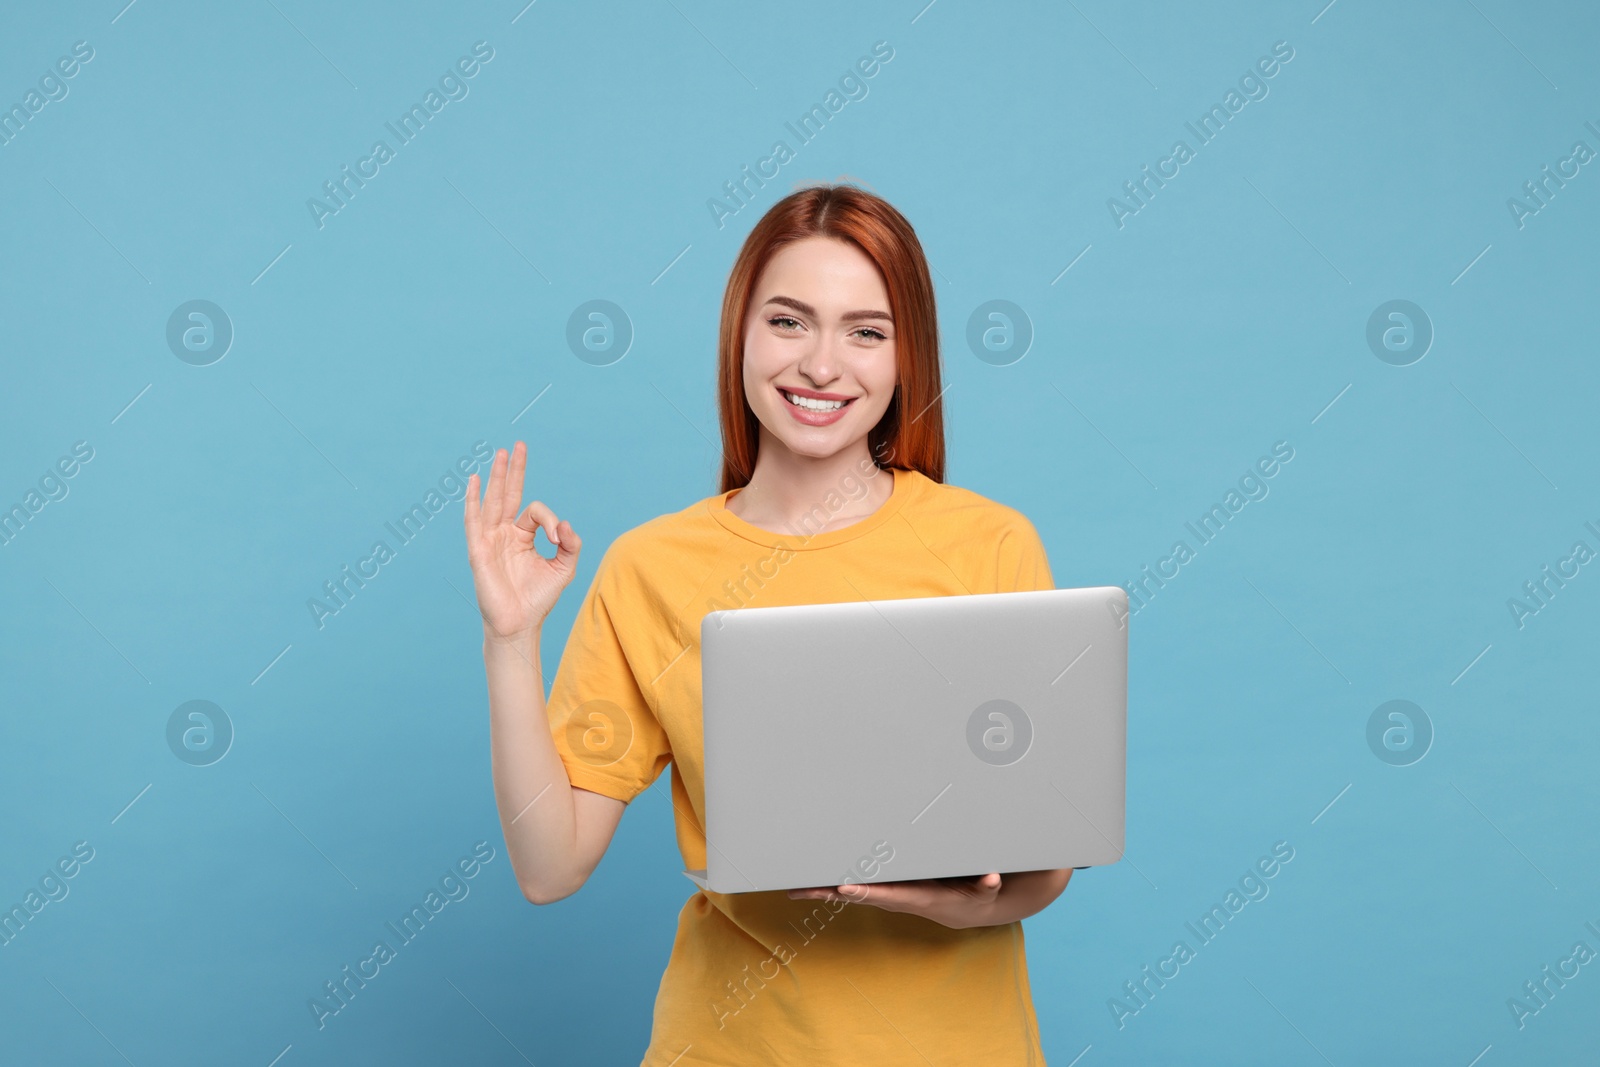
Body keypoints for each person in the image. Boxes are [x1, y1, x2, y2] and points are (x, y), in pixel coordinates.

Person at [463, 182, 1072, 1065]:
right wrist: (511, 639)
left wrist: (943, 902)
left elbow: (1042, 867)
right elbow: (548, 866)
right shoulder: (651, 568)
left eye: (867, 331)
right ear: (739, 335)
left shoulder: (988, 545)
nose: (822, 365)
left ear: (909, 358)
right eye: (789, 322)